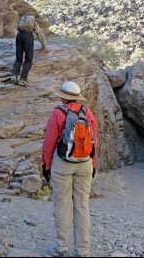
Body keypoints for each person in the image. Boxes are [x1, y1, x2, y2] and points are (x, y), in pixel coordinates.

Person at [41, 81, 98, 257]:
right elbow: (94, 141)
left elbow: (49, 144)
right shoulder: (88, 113)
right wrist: (93, 163)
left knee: (62, 204)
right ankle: (83, 251)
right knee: (82, 205)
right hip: (85, 164)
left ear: (63, 97)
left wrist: (46, 166)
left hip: (63, 164)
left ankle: (61, 247)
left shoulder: (58, 113)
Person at [10, 15, 46, 87]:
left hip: (19, 36)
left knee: (18, 58)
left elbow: (17, 28)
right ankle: (22, 79)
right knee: (28, 60)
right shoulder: (34, 23)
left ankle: (14, 77)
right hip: (28, 37)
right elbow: (39, 33)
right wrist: (43, 45)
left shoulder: (22, 19)